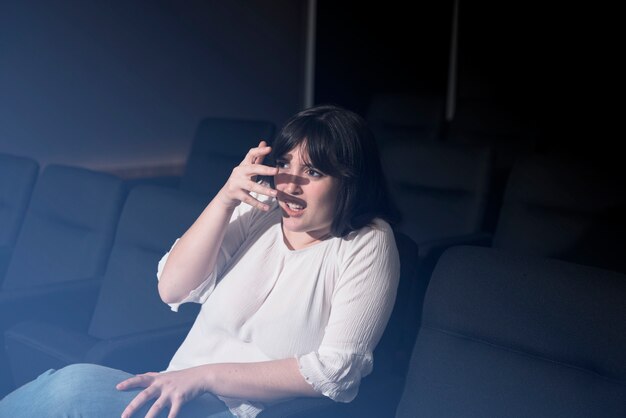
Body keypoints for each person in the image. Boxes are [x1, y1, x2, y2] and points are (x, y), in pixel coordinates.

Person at [0, 104, 401, 418]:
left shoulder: (368, 242)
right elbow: (172, 288)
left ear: (349, 179)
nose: (288, 183)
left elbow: (337, 370)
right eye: (283, 164)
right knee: (63, 388)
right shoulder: (259, 209)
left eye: (311, 171)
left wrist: (206, 377)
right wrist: (226, 197)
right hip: (176, 393)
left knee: (69, 393)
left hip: (248, 411)